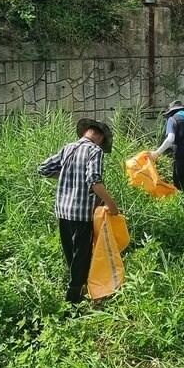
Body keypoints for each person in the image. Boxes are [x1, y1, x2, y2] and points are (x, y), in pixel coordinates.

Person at [38, 118, 121, 304]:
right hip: (81, 212)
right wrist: (112, 205)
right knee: (81, 255)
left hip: (62, 210)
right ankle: (73, 299)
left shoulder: (68, 148)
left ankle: (76, 287)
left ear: (86, 132)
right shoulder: (94, 150)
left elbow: (43, 169)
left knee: (71, 253)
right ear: (98, 136)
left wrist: (66, 175)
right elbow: (95, 182)